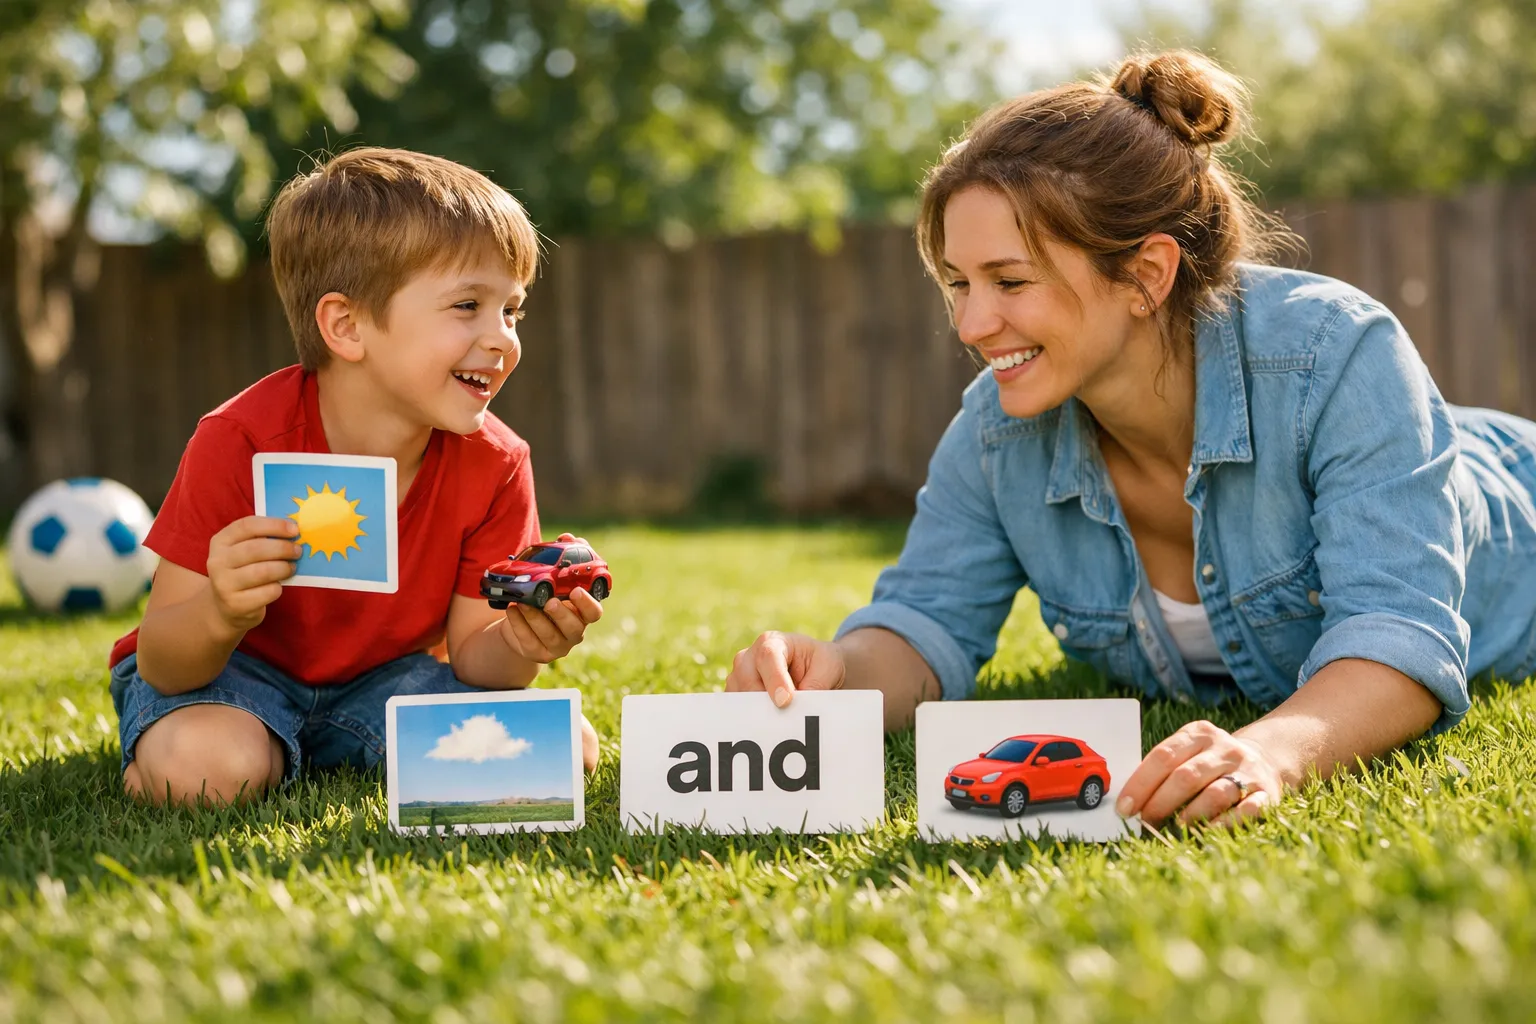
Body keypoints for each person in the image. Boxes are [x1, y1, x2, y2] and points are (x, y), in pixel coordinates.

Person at [727, 51, 1536, 830]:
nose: (973, 326)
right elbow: (927, 620)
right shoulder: (997, 429)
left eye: (1009, 281)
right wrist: (841, 675)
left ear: (1147, 275)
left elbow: (1401, 633)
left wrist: (1271, 754)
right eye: (958, 283)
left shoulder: (1336, 355)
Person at [108, 148, 602, 805]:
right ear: (346, 326)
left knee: (566, 752)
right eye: (467, 306)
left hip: (387, 684)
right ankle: (188, 754)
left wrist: (522, 640)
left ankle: (315, 748)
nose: (503, 337)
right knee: (208, 770)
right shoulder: (241, 440)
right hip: (234, 674)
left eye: (511, 310)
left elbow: (477, 659)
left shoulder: (496, 462)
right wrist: (221, 609)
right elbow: (165, 662)